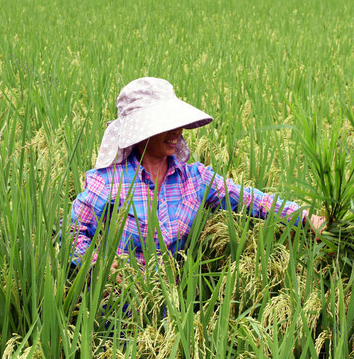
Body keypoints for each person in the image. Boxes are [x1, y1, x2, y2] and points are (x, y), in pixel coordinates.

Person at [68, 77, 325, 273]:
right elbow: (71, 232)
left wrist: (303, 216)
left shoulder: (194, 178)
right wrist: (96, 263)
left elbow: (251, 200)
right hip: (119, 305)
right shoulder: (109, 181)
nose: (177, 131)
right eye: (165, 124)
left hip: (173, 305)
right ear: (141, 131)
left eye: (176, 122)